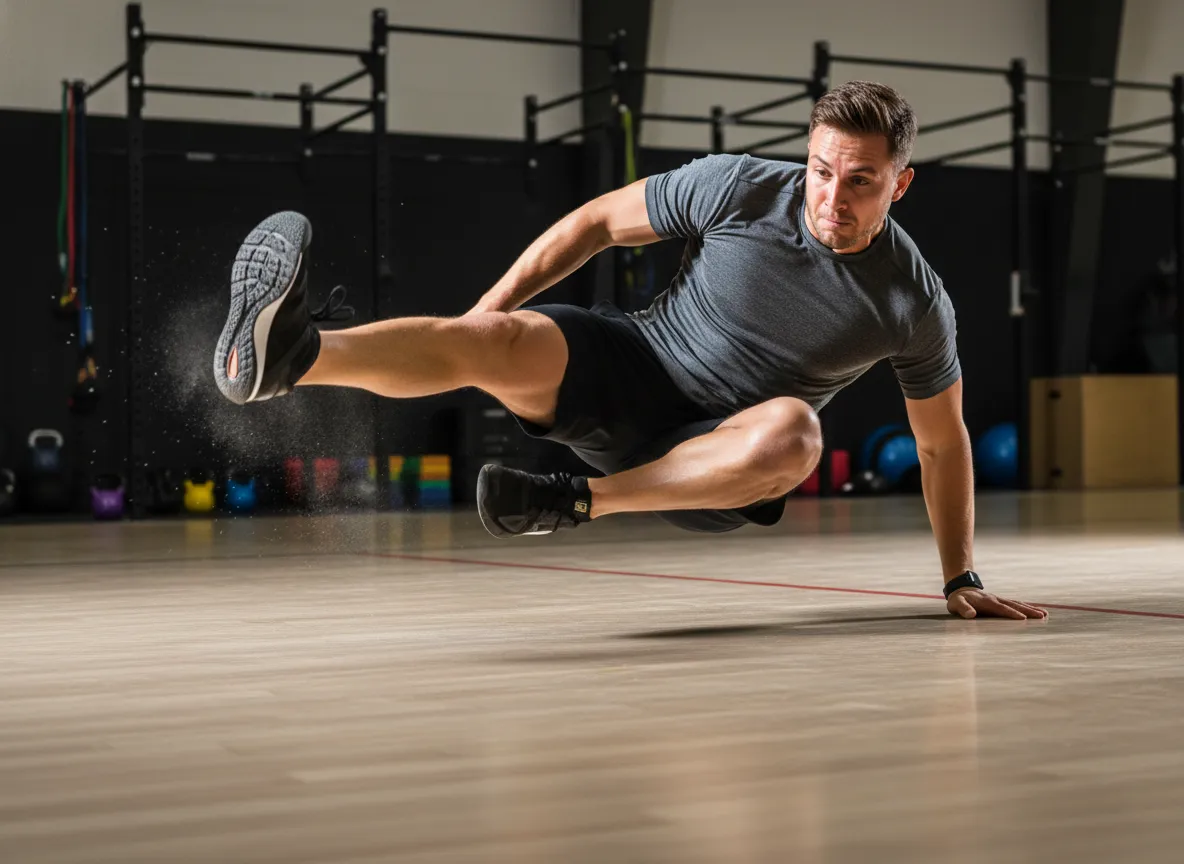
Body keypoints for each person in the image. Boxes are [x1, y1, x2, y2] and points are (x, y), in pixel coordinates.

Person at [213, 80, 1047, 621]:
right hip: (636, 364)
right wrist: (481, 327)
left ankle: (576, 501)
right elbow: (596, 223)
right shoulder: (739, 186)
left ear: (900, 182)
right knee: (503, 335)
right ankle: (294, 358)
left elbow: (941, 444)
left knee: (796, 432)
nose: (832, 196)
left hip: (718, 459)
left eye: (860, 180)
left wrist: (960, 577)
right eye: (821, 169)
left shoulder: (913, 301)